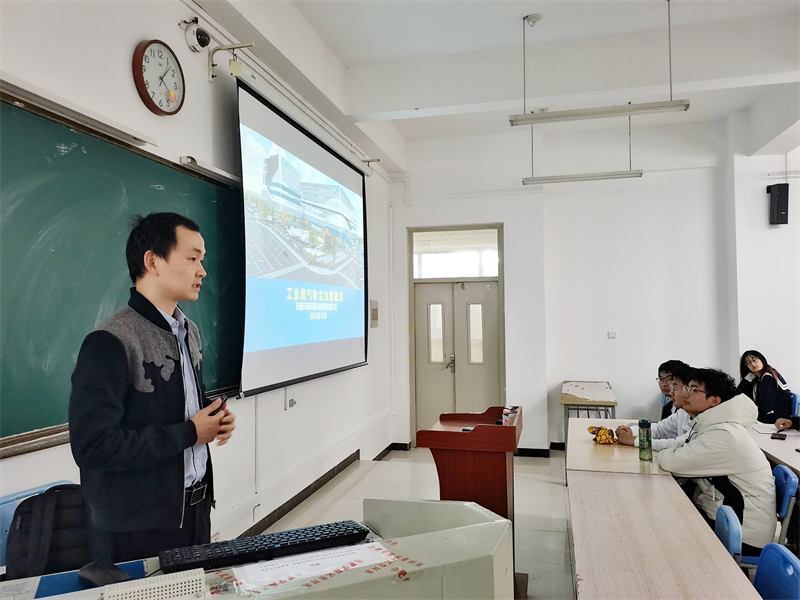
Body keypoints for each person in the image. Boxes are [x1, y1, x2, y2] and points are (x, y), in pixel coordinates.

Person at [69, 212, 236, 563]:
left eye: (202, 260)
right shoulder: (109, 341)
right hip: (137, 528)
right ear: (152, 262)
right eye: (192, 259)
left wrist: (214, 416)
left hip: (194, 509)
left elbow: (176, 403)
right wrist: (190, 432)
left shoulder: (189, 331)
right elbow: (93, 447)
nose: (202, 271)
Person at [657, 368, 777, 556]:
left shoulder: (724, 434)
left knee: (664, 532)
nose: (686, 394)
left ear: (714, 401)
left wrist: (670, 451)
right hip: (721, 512)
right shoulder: (710, 425)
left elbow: (671, 462)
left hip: (742, 532)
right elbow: (679, 450)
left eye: (694, 389)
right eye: (687, 387)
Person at [616, 363, 694, 450]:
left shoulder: (702, 419)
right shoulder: (682, 412)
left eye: (675, 387)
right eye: (661, 379)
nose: (671, 392)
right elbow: (659, 429)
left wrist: (635, 441)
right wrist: (630, 431)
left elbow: (680, 444)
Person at [736, 350, 793, 424]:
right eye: (748, 363)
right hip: (770, 414)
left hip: (777, 415)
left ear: (761, 359)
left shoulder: (768, 377)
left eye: (754, 360)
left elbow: (767, 405)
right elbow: (739, 394)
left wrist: (751, 413)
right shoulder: (758, 378)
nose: (752, 364)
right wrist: (749, 377)